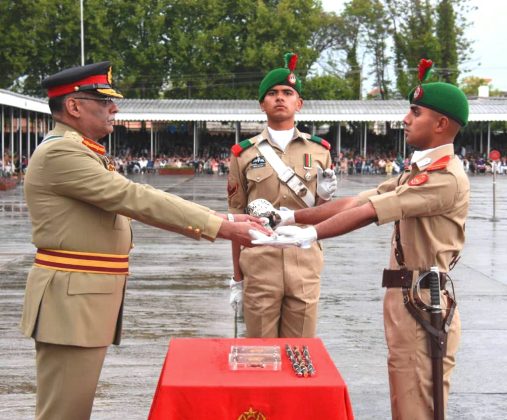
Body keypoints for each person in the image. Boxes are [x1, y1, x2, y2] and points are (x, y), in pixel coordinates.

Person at [20, 61, 268, 420]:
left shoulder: (80, 149)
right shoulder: (63, 152)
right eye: (104, 102)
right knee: (64, 412)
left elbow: (138, 197)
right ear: (74, 106)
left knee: (73, 409)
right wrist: (223, 227)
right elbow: (137, 199)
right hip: (70, 305)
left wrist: (226, 218)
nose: (114, 108)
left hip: (81, 300)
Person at [255, 59, 469, 419]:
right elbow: (357, 200)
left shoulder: (443, 176)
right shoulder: (420, 170)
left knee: (419, 407)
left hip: (425, 301)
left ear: (441, 124)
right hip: (408, 299)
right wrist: (289, 216)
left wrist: (310, 234)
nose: (405, 119)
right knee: (406, 400)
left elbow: (371, 211)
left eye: (415, 112)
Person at [227, 52, 337, 338]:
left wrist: (325, 198)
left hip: (304, 263)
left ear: (298, 103)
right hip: (260, 262)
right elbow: (235, 220)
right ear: (262, 103)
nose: (280, 97)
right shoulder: (243, 153)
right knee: (260, 356)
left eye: (288, 93)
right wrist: (237, 278)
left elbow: (323, 213)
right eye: (272, 93)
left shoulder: (320, 151)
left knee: (300, 354)